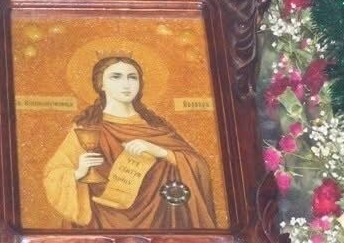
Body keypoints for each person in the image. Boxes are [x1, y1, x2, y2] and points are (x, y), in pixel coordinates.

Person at [43, 56, 217, 230]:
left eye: (132, 77)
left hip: (161, 219)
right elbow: (54, 175)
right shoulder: (86, 128)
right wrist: (78, 172)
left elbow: (199, 166)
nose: (126, 84)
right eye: (116, 77)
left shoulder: (156, 126)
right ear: (101, 84)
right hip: (99, 221)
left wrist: (161, 152)